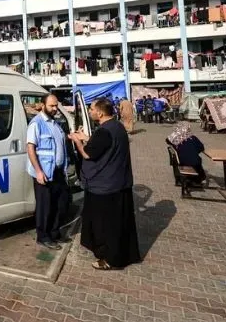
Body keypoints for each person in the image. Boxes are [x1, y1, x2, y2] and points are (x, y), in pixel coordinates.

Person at [68, 98, 140, 270]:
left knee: (105, 227)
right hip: (118, 183)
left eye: (91, 109)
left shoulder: (104, 132)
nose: (90, 111)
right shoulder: (116, 127)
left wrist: (77, 141)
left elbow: (88, 154)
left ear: (100, 112)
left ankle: (109, 259)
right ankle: (119, 255)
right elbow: (103, 145)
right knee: (119, 224)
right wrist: (88, 138)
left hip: (105, 187)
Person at [26, 94, 71, 250]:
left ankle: (54, 233)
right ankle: (43, 237)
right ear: (43, 105)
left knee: (60, 204)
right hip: (44, 172)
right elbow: (30, 148)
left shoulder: (55, 123)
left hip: (57, 171)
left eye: (56, 105)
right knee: (45, 206)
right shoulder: (36, 124)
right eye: (51, 106)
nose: (55, 109)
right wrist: (38, 172)